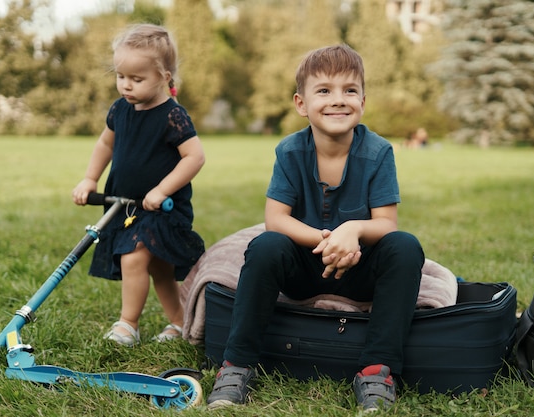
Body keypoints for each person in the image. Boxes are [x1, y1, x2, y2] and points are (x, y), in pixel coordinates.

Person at [206, 44, 424, 412]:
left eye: (349, 90)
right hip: (304, 268)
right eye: (324, 90)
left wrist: (352, 231)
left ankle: (377, 370)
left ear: (363, 102)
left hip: (359, 268)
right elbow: (276, 219)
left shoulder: (379, 152)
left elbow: (386, 224)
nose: (338, 100)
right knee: (265, 245)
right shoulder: (290, 151)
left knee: (405, 247)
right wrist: (327, 240)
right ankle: (236, 364)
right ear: (301, 104)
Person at [72, 24, 205, 346]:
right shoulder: (120, 110)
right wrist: (91, 178)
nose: (126, 86)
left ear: (164, 76)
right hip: (127, 205)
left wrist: (162, 190)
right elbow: (105, 145)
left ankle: (127, 324)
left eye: (136, 78)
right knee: (158, 267)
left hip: (161, 208)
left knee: (135, 257)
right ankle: (179, 322)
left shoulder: (173, 116)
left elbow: (194, 157)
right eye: (121, 76)